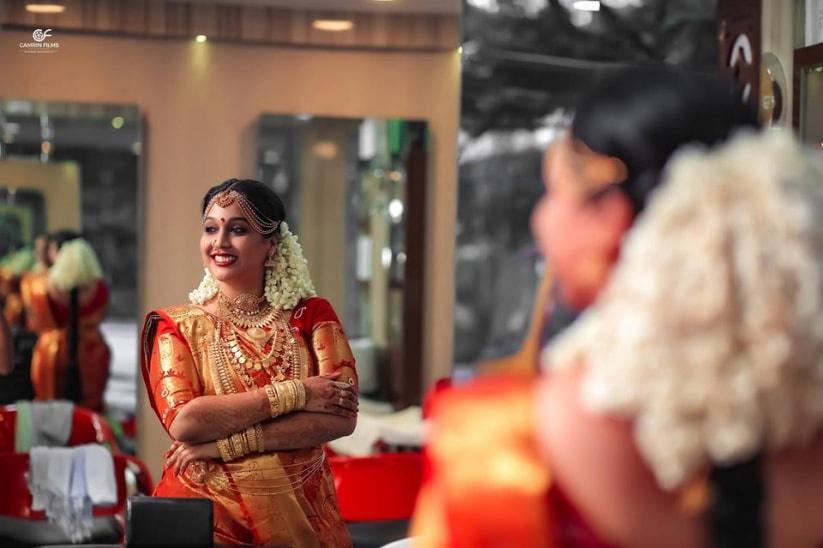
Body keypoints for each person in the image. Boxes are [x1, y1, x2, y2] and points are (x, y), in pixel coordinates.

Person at [412, 68, 823, 547]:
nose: (540, 218)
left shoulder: (502, 443)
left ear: (609, 215)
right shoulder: (807, 429)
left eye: (554, 189)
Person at [141, 178, 360, 546]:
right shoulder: (177, 326)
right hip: (207, 517)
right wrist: (301, 392)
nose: (220, 242)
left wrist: (221, 446)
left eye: (238, 229)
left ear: (271, 245)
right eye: (211, 229)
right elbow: (185, 421)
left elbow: (340, 417)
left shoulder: (310, 315)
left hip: (301, 517)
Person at [25, 231, 111, 411]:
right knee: (89, 410)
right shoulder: (101, 288)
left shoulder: (39, 286)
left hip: (51, 354)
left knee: (50, 411)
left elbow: (34, 323)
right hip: (92, 352)